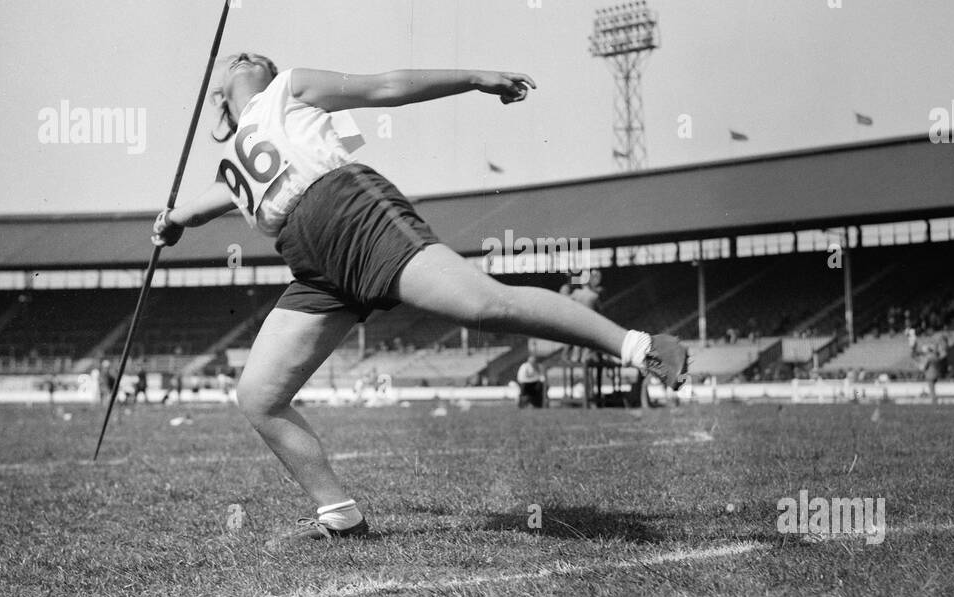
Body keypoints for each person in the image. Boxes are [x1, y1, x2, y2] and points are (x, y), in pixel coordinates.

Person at [151, 53, 689, 541]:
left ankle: (642, 346)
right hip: (312, 263)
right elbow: (198, 209)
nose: (247, 56)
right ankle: (339, 515)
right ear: (218, 103)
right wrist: (171, 222)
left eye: (256, 54)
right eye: (236, 58)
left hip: (351, 213)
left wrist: (474, 78)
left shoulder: (288, 89)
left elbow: (385, 85)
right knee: (258, 396)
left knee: (483, 305)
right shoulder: (232, 165)